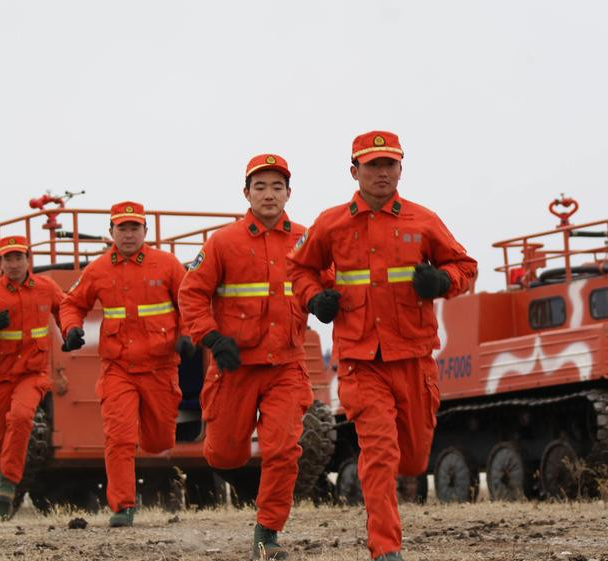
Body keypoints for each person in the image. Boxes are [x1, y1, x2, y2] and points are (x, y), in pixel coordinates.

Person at [287, 131, 478, 561]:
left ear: (400, 170)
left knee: (411, 459)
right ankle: (386, 549)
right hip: (359, 361)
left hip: (413, 359)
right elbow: (298, 270)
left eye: (389, 164)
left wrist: (444, 280)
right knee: (380, 451)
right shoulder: (331, 224)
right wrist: (314, 298)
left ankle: (390, 530)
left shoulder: (423, 220)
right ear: (354, 171)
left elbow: (465, 265)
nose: (381, 172)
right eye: (372, 165)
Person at [178, 154, 314, 561]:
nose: (269, 194)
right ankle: (249, 487)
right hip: (233, 368)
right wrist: (212, 338)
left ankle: (266, 536)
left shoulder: (307, 241)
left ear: (289, 193)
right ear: (246, 194)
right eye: (260, 187)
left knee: (284, 449)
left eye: (277, 187)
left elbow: (330, 282)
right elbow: (191, 294)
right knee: (223, 454)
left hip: (286, 366)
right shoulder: (223, 242)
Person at [59, 201, 191, 528]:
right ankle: (123, 507)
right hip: (118, 368)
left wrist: (188, 334)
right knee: (118, 436)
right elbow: (71, 304)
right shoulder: (99, 269)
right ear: (111, 232)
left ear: (145, 231)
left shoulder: (168, 264)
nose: (128, 234)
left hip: (161, 369)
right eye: (122, 228)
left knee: (159, 441)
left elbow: (192, 300)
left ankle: (151, 438)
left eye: (134, 228)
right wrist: (71, 328)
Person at [0, 235, 66, 519]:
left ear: (28, 260)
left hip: (32, 374)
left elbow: (66, 308)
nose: (14, 263)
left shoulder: (46, 288)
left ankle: (8, 484)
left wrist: (70, 332)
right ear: (1, 263)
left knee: (21, 419)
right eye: (8, 258)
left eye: (18, 257)